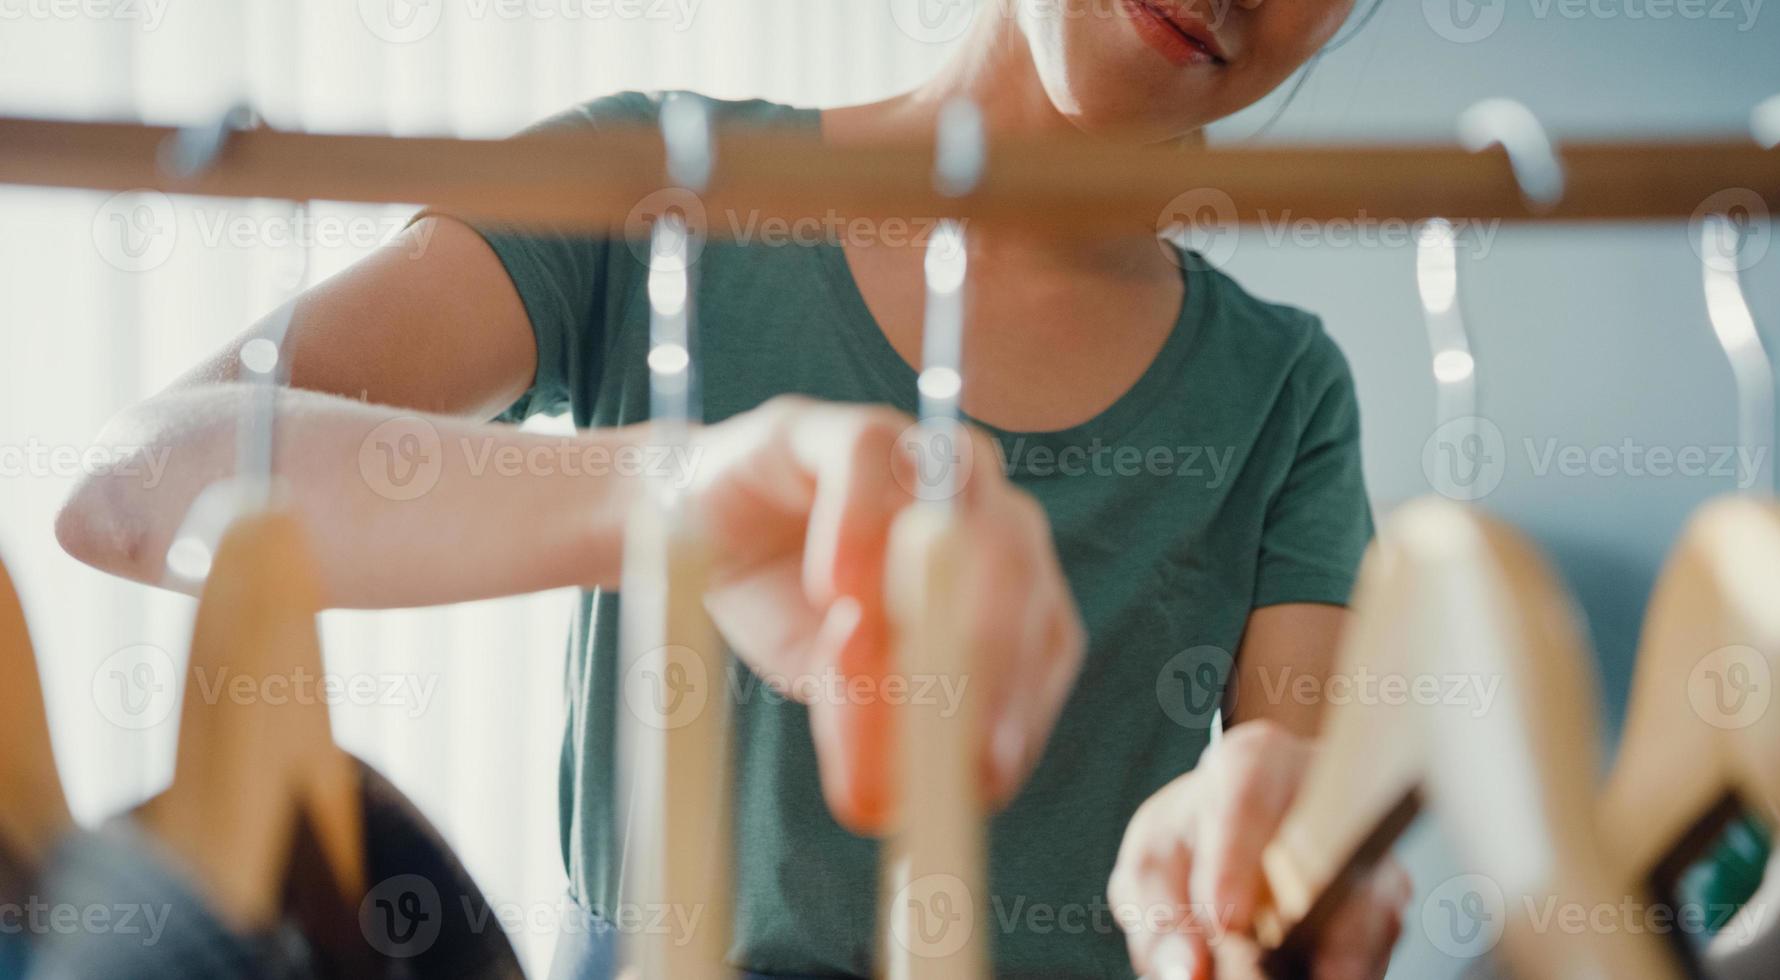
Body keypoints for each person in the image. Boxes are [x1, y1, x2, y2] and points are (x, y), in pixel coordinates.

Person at [56, 0, 1407, 976]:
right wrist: (668, 500)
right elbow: (139, 481)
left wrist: (1277, 852)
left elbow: (1276, 796)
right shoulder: (659, 187)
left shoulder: (1285, 393)